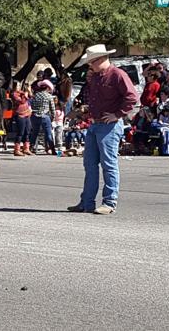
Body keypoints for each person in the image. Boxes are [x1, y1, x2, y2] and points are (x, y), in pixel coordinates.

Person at [68, 44, 138, 215]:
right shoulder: (96, 77)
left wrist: (117, 114)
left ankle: (109, 202)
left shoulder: (117, 75)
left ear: (99, 60)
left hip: (109, 126)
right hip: (96, 123)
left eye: (91, 62)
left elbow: (132, 97)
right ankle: (87, 202)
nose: (89, 66)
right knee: (90, 164)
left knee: (108, 164)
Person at [29, 80, 56, 155]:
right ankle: (52, 149)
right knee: (48, 134)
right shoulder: (49, 96)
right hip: (45, 116)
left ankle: (31, 148)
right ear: (47, 88)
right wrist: (52, 118)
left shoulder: (35, 96)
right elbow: (52, 109)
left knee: (34, 132)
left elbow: (31, 105)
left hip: (34, 115)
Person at [10, 81, 33, 156]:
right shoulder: (14, 94)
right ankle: (16, 149)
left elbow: (31, 96)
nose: (19, 87)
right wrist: (25, 95)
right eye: (17, 86)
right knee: (20, 132)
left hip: (27, 114)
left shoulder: (22, 93)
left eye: (20, 85)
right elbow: (22, 101)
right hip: (19, 115)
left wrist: (28, 91)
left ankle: (26, 148)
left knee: (27, 131)